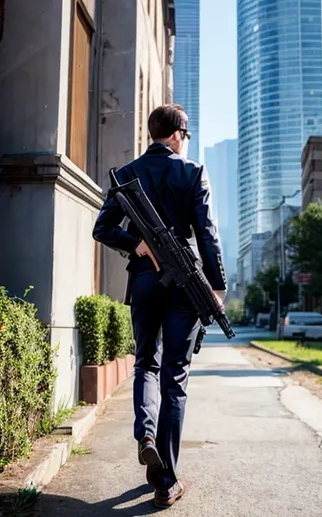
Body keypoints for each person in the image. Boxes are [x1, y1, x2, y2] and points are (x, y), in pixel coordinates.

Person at [93, 104, 227, 508]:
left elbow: (103, 228)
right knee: (175, 375)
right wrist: (217, 287)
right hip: (185, 282)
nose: (185, 142)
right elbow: (206, 233)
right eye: (185, 135)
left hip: (145, 280)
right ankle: (166, 481)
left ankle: (146, 434)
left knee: (145, 364)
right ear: (177, 134)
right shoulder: (192, 172)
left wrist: (136, 244)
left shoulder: (130, 171)